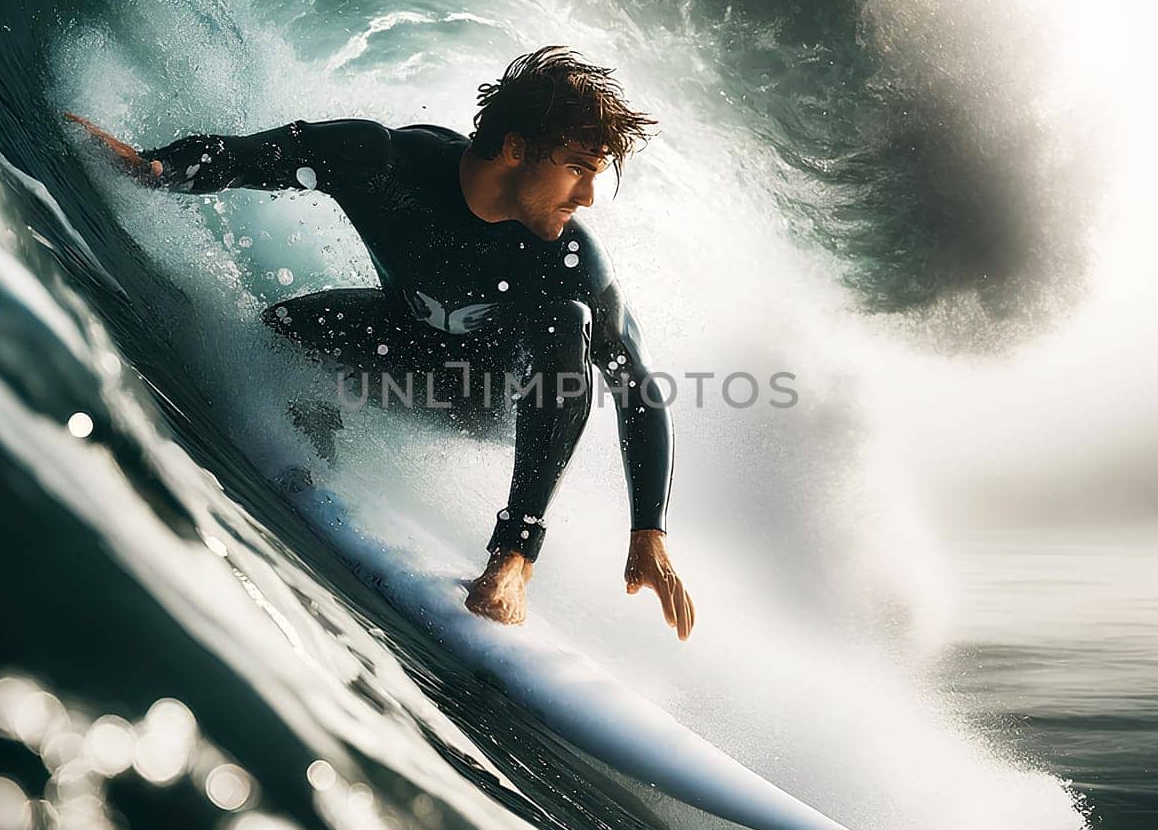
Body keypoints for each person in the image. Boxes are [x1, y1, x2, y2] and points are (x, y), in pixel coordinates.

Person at [66, 46, 694, 639]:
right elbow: (255, 157)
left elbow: (635, 386)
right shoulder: (388, 164)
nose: (586, 196)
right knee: (283, 329)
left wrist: (649, 533)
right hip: (399, 345)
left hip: (489, 399)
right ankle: (313, 443)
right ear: (515, 148)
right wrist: (153, 169)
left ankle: (514, 558)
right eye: (578, 171)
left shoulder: (572, 258)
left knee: (568, 325)